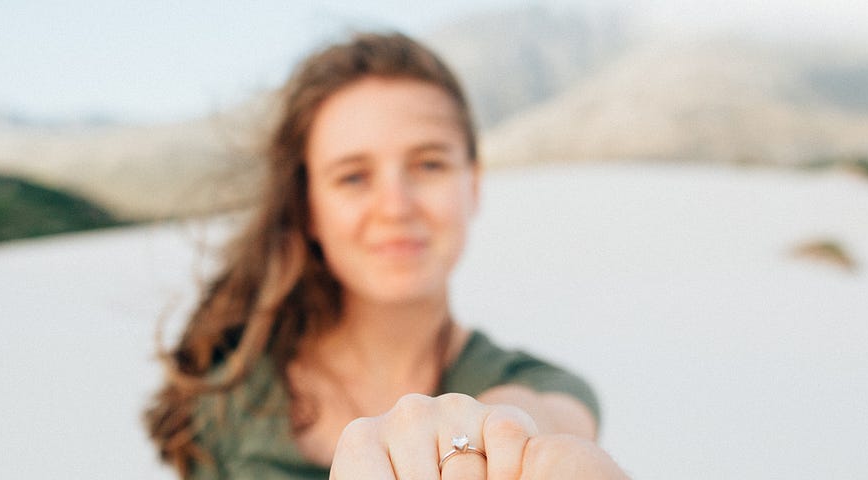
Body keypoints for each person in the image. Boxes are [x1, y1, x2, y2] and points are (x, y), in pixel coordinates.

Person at [144, 31, 627, 479]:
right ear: (309, 208)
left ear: (473, 185)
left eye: (429, 164)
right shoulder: (229, 398)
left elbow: (537, 418)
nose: (396, 207)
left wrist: (499, 434)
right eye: (353, 176)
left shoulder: (538, 385)